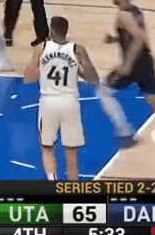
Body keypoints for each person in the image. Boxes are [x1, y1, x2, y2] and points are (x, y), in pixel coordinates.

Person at [24, 16, 99, 180]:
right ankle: (72, 187)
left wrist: (43, 69)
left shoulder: (41, 47)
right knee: (71, 151)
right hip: (69, 102)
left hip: (48, 102)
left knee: (46, 147)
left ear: (51, 30)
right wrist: (79, 69)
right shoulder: (77, 49)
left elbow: (27, 78)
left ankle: (52, 182)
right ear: (66, 31)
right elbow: (93, 79)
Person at [98, 0, 155, 147]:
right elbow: (136, 35)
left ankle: (125, 132)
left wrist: (128, 63)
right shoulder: (135, 11)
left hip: (134, 63)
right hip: (145, 61)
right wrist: (115, 39)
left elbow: (140, 37)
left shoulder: (122, 15)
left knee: (103, 90)